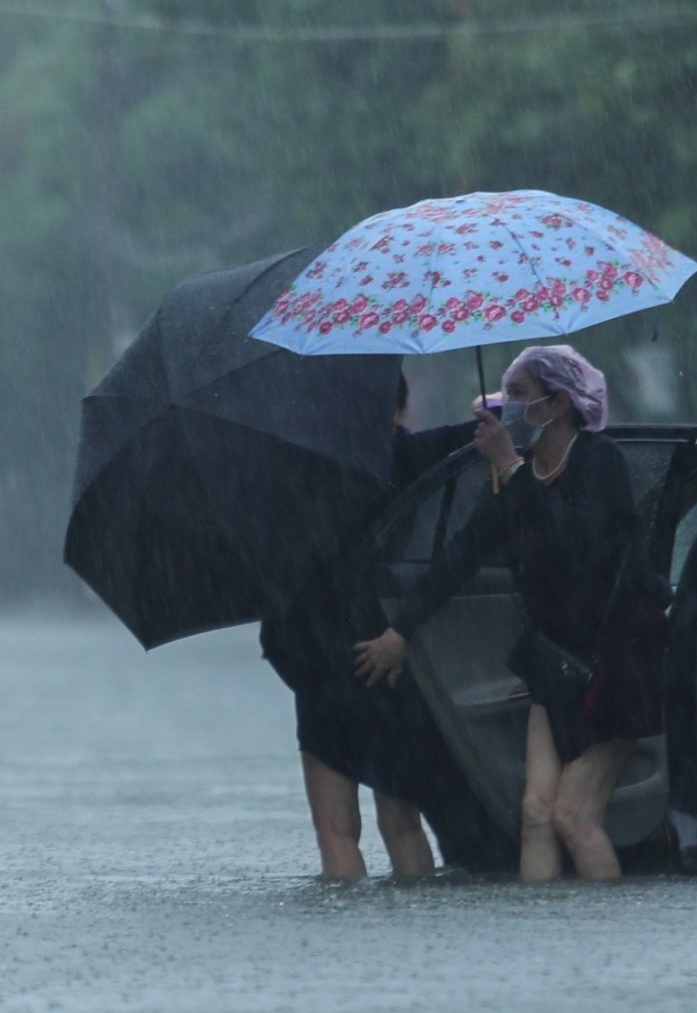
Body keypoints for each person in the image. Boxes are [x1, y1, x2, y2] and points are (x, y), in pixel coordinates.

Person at [353, 346, 662, 882]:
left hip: (615, 665)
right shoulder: (515, 480)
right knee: (536, 814)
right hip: (554, 662)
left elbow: (577, 546)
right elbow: (459, 559)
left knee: (574, 815)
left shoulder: (598, 461)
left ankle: (611, 950)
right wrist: (401, 631)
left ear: (559, 402)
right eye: (505, 394)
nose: (506, 405)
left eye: (518, 395)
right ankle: (541, 949)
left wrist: (512, 467)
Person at [260, 371, 475, 879]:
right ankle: (414, 940)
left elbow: (272, 566)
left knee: (335, 830)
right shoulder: (414, 456)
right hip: (386, 649)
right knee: (402, 825)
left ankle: (344, 953)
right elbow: (488, 439)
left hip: (319, 657)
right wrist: (489, 419)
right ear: (399, 409)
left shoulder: (296, 471)